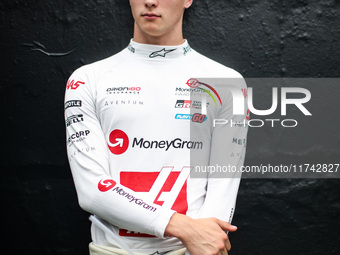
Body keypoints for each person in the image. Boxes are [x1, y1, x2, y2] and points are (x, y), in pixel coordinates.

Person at [64, 0, 248, 254]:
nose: (150, 1)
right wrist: (182, 227)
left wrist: (204, 239)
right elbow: (92, 191)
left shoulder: (227, 82)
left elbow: (223, 182)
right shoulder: (87, 80)